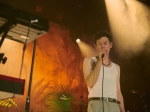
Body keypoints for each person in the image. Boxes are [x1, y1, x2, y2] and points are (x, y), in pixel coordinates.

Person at [83, 30, 125, 112]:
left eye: (105, 43)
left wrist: (123, 110)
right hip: (95, 104)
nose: (103, 46)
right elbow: (90, 83)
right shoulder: (88, 61)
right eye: (99, 44)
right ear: (95, 46)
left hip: (113, 105)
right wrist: (99, 62)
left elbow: (118, 92)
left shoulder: (116, 67)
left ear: (110, 45)